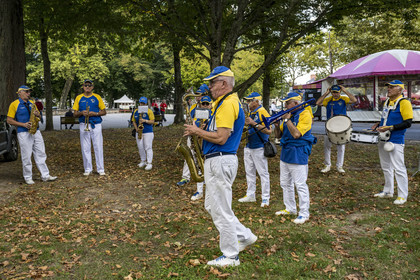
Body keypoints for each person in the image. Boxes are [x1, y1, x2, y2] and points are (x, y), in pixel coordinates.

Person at [184, 66, 257, 267]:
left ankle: (231, 255)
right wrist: (204, 128)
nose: (209, 87)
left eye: (212, 83)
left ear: (224, 84)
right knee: (212, 206)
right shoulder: (224, 103)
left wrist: (197, 131)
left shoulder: (227, 104)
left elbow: (221, 138)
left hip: (220, 158)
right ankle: (245, 236)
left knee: (221, 210)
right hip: (219, 159)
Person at [274, 92, 317, 224]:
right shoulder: (290, 115)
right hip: (286, 152)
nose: (285, 106)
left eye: (287, 103)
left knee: (300, 184)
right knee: (285, 183)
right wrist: (277, 125)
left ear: (296, 104)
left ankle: (304, 213)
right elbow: (279, 135)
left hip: (298, 152)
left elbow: (297, 134)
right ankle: (290, 208)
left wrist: (287, 120)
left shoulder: (305, 115)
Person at [372, 80, 413, 205]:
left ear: (400, 90)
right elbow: (386, 118)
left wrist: (390, 128)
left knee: (399, 168)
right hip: (384, 137)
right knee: (386, 167)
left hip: (395, 140)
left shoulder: (404, 103)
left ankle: (402, 195)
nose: (388, 89)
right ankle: (388, 191)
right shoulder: (387, 102)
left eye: (392, 87)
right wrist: (379, 124)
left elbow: (408, 122)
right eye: (388, 87)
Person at [7, 85, 57, 185]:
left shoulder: (32, 103)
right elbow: (9, 120)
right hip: (23, 132)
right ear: (19, 93)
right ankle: (28, 177)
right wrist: (23, 124)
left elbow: (39, 116)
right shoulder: (14, 104)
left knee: (41, 152)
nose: (28, 93)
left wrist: (38, 115)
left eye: (29, 92)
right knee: (26, 155)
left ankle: (45, 175)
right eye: (26, 92)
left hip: (36, 131)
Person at [238, 92, 272, 207]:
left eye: (249, 101)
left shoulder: (263, 112)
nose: (247, 103)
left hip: (259, 146)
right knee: (249, 172)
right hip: (248, 145)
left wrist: (253, 123)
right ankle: (250, 194)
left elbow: (268, 130)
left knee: (263, 173)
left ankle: (265, 198)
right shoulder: (250, 112)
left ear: (256, 102)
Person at [316, 85, 356, 173]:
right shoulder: (328, 100)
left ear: (339, 92)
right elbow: (318, 103)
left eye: (337, 92)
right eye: (333, 92)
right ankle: (327, 165)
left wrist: (345, 91)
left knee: (341, 146)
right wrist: (326, 93)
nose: (335, 94)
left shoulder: (343, 99)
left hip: (341, 126)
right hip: (330, 126)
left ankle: (339, 166)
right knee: (327, 146)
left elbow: (354, 100)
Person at [176, 84, 210, 187]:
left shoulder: (210, 104)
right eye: (196, 94)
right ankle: (185, 177)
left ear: (205, 94)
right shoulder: (194, 106)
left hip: (204, 134)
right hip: (193, 134)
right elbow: (189, 118)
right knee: (189, 154)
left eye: (199, 94)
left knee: (203, 156)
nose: (197, 97)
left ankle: (204, 175)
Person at [72, 79, 107, 176]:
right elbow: (74, 114)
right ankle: (88, 168)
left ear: (92, 87)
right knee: (85, 147)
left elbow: (104, 112)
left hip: (96, 124)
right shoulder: (79, 98)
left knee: (98, 146)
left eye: (89, 85)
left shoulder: (97, 97)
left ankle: (100, 169)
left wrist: (95, 113)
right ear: (83, 87)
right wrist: (81, 113)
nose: (87, 87)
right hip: (83, 124)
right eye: (85, 85)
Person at [189, 95, 212, 201]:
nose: (205, 106)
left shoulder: (214, 116)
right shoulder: (196, 117)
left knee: (210, 170)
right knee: (199, 168)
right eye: (203, 104)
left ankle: (209, 191)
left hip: (209, 147)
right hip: (198, 145)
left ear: (211, 105)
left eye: (207, 104)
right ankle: (199, 191)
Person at [132, 97, 155, 171]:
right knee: (140, 147)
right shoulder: (136, 111)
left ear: (146, 104)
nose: (142, 104)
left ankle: (149, 163)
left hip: (148, 132)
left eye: (143, 103)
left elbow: (153, 121)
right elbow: (133, 121)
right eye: (141, 103)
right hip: (139, 132)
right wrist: (136, 129)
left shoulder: (149, 111)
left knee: (148, 147)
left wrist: (145, 120)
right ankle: (143, 160)